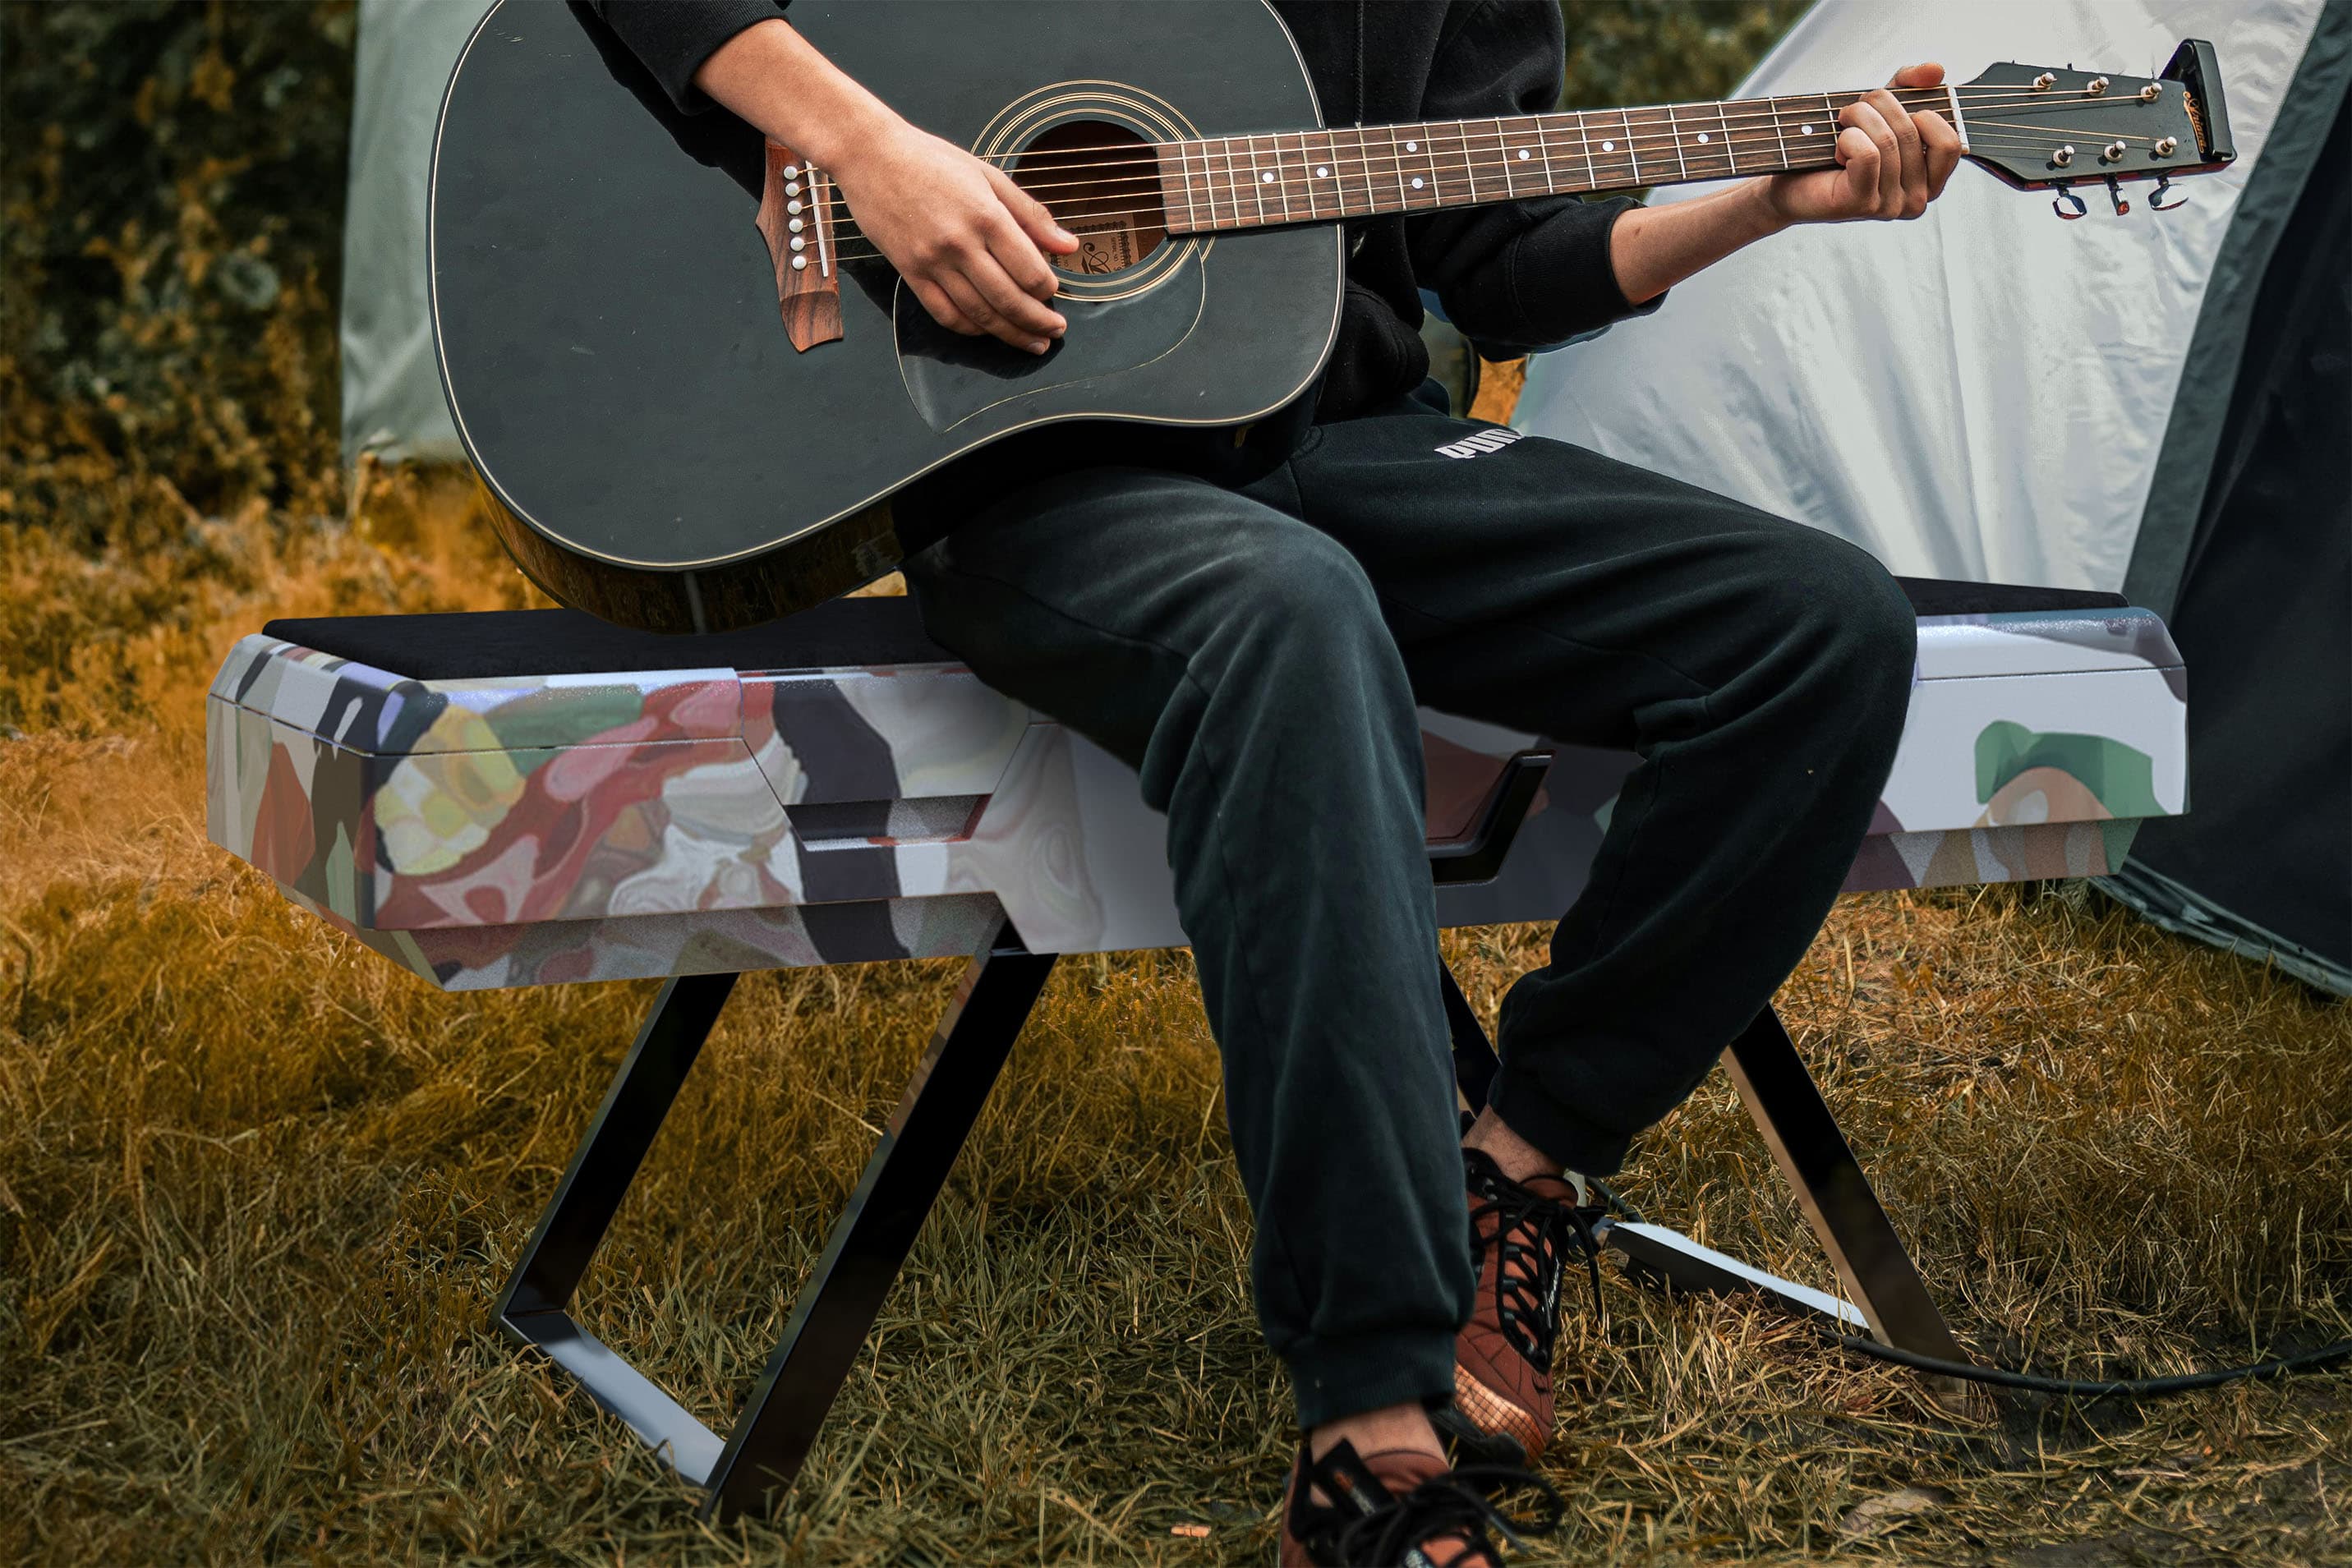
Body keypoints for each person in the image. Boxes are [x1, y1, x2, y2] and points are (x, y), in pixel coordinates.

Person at [589, 4, 1962, 1563]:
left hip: (1345, 435)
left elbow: (1499, 253)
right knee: (1294, 613)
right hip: (1037, 461)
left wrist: (1767, 199)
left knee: (1820, 630)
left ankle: (1512, 1171)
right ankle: (1369, 1440)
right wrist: (862, 141)